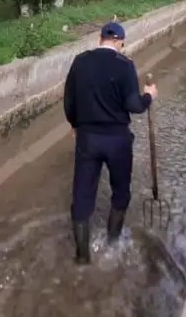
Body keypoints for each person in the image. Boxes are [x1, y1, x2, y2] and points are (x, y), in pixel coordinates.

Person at [63, 22, 158, 264]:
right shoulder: (125, 66)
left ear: (100, 38)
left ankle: (82, 257)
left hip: (87, 139)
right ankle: (112, 244)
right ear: (121, 42)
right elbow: (133, 106)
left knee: (82, 196)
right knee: (120, 191)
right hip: (117, 140)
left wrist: (75, 124)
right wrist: (149, 96)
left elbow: (69, 101)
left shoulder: (80, 62)